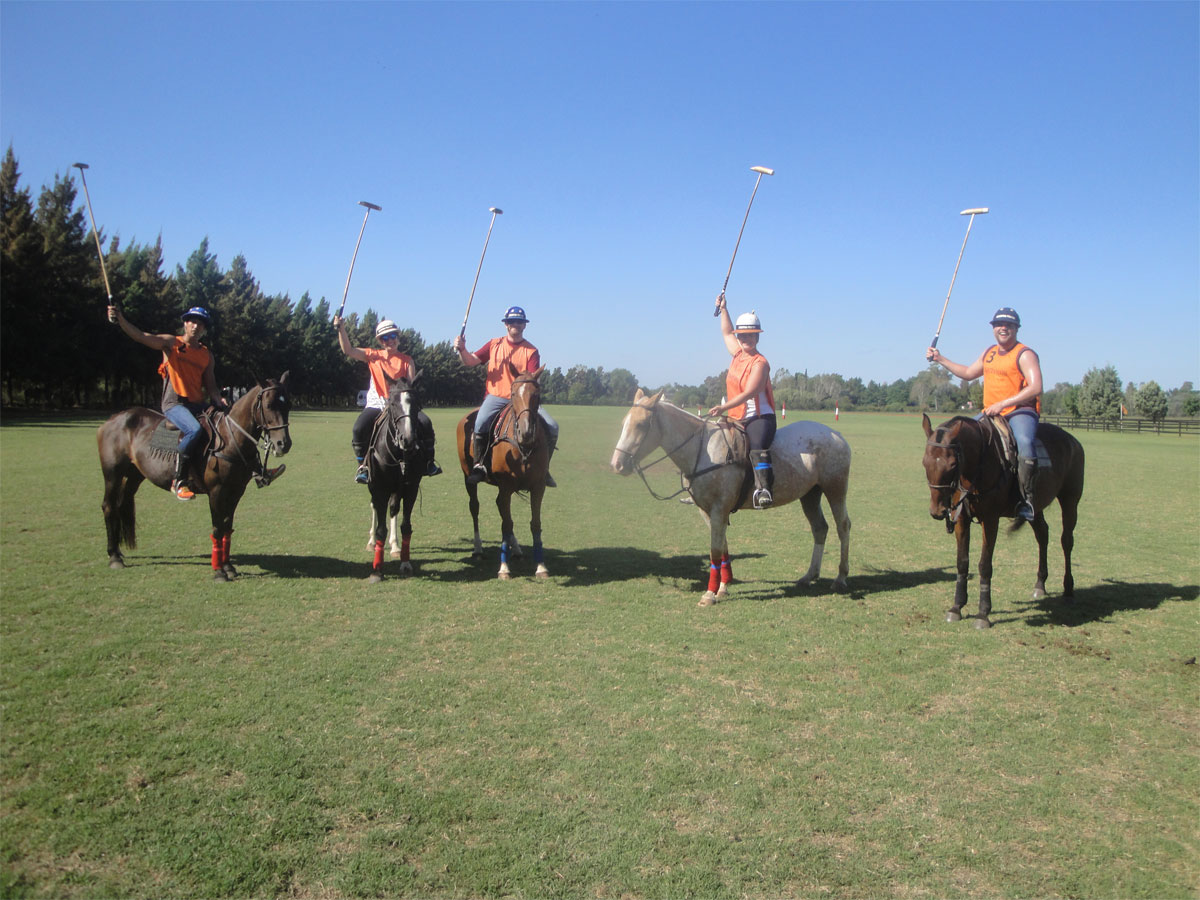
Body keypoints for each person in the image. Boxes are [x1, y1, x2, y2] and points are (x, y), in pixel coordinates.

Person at [108, 304, 284, 500]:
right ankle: (179, 480)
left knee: (233, 425)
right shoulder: (170, 343)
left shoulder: (206, 355)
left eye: (200, 324)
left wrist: (219, 401)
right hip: (175, 404)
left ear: (204, 329)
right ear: (185, 323)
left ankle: (259, 471)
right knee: (194, 430)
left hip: (198, 403)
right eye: (192, 321)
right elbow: (141, 336)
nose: (196, 326)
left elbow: (211, 386)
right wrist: (120, 319)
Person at [926, 306, 1043, 522]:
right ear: (993, 328)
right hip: (991, 413)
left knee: (1025, 442)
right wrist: (940, 359)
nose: (1003, 328)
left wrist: (1003, 404)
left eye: (1008, 324)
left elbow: (1036, 387)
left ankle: (1026, 500)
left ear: (1016, 328)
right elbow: (969, 373)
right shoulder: (989, 353)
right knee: (961, 442)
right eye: (999, 324)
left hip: (1019, 412)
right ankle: (960, 497)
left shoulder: (1024, 354)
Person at [452, 305, 558, 486]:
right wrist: (462, 349)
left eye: (519, 321)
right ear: (506, 325)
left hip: (523, 399)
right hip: (496, 396)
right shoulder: (494, 344)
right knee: (480, 422)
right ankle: (479, 466)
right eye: (512, 321)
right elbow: (470, 362)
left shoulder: (531, 351)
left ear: (524, 325)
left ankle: (544, 469)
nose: (515, 324)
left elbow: (532, 379)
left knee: (552, 426)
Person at [334, 316, 441, 483]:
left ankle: (429, 462)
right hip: (377, 405)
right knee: (358, 428)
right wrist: (341, 329)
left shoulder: (407, 360)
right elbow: (348, 350)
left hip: (401, 406)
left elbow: (410, 388)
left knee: (425, 423)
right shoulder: (372, 355)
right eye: (385, 338)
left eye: (393, 336)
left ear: (398, 337)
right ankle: (363, 466)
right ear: (380, 341)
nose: (390, 341)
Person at [708, 293, 777, 509]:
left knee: (756, 446)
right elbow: (726, 331)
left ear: (758, 337)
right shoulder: (737, 354)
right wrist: (724, 309)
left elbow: (750, 392)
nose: (747, 339)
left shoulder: (761, 363)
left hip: (759, 418)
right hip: (736, 416)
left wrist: (722, 407)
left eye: (751, 336)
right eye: (743, 336)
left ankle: (763, 489)